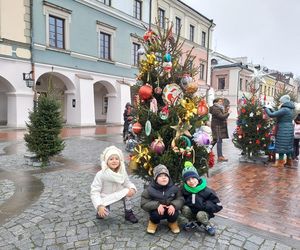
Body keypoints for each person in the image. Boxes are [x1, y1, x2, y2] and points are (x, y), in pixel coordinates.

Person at [90, 145, 138, 223]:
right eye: (111, 159)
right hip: (106, 196)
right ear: (106, 161)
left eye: (116, 159)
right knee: (104, 214)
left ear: (120, 161)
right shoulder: (101, 174)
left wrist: (132, 188)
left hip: (120, 193)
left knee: (128, 191)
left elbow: (127, 183)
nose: (114, 161)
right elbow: (94, 192)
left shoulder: (122, 172)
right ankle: (104, 208)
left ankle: (128, 213)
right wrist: (99, 206)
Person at [181, 161, 223, 236]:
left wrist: (204, 205)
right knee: (185, 208)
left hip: (204, 212)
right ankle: (194, 222)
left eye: (193, 178)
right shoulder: (184, 189)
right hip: (193, 211)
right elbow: (181, 199)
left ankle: (207, 225)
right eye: (188, 180)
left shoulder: (207, 191)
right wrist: (187, 201)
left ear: (197, 177)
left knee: (200, 215)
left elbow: (218, 205)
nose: (191, 181)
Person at [141, 164, 184, 234]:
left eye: (166, 176)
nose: (164, 178)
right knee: (155, 215)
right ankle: (153, 223)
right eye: (160, 176)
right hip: (157, 210)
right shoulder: (149, 189)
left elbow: (180, 199)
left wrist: (173, 205)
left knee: (175, 213)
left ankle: (172, 222)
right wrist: (157, 205)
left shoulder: (174, 188)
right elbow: (144, 203)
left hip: (169, 208)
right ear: (155, 179)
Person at [264, 94, 295, 167]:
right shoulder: (290, 109)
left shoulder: (284, 109)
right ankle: (289, 161)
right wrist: (272, 109)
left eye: (281, 102)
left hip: (283, 129)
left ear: (284, 102)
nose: (280, 103)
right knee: (288, 146)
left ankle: (280, 163)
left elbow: (272, 115)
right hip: (289, 128)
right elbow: (278, 114)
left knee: (282, 145)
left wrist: (266, 108)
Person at [209, 98, 230, 162]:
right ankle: (220, 156)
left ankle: (206, 151)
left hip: (218, 126)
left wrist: (226, 111)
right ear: (216, 102)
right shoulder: (215, 108)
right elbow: (222, 117)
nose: (221, 102)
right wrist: (228, 113)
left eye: (221, 101)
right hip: (217, 127)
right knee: (219, 141)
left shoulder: (220, 108)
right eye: (220, 101)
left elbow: (223, 116)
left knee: (215, 140)